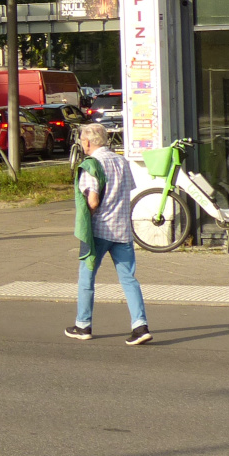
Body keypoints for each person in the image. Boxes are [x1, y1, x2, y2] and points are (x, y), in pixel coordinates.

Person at [67, 122, 151, 345]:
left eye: (82, 141)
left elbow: (92, 201)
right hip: (122, 231)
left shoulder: (92, 165)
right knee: (128, 279)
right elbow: (128, 190)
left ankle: (83, 325)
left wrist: (88, 212)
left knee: (87, 278)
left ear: (87, 142)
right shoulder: (121, 160)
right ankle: (140, 326)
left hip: (98, 231)